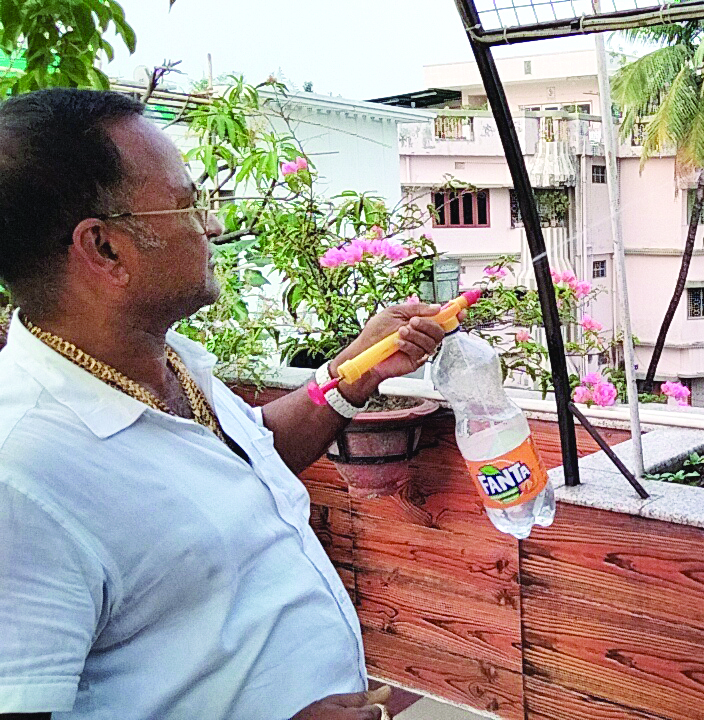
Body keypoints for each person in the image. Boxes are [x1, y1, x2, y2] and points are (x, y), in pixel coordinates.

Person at [0, 88, 447, 719]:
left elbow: (248, 456)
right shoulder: (23, 474)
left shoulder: (165, 359)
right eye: (185, 204)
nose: (211, 225)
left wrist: (352, 372)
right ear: (103, 248)